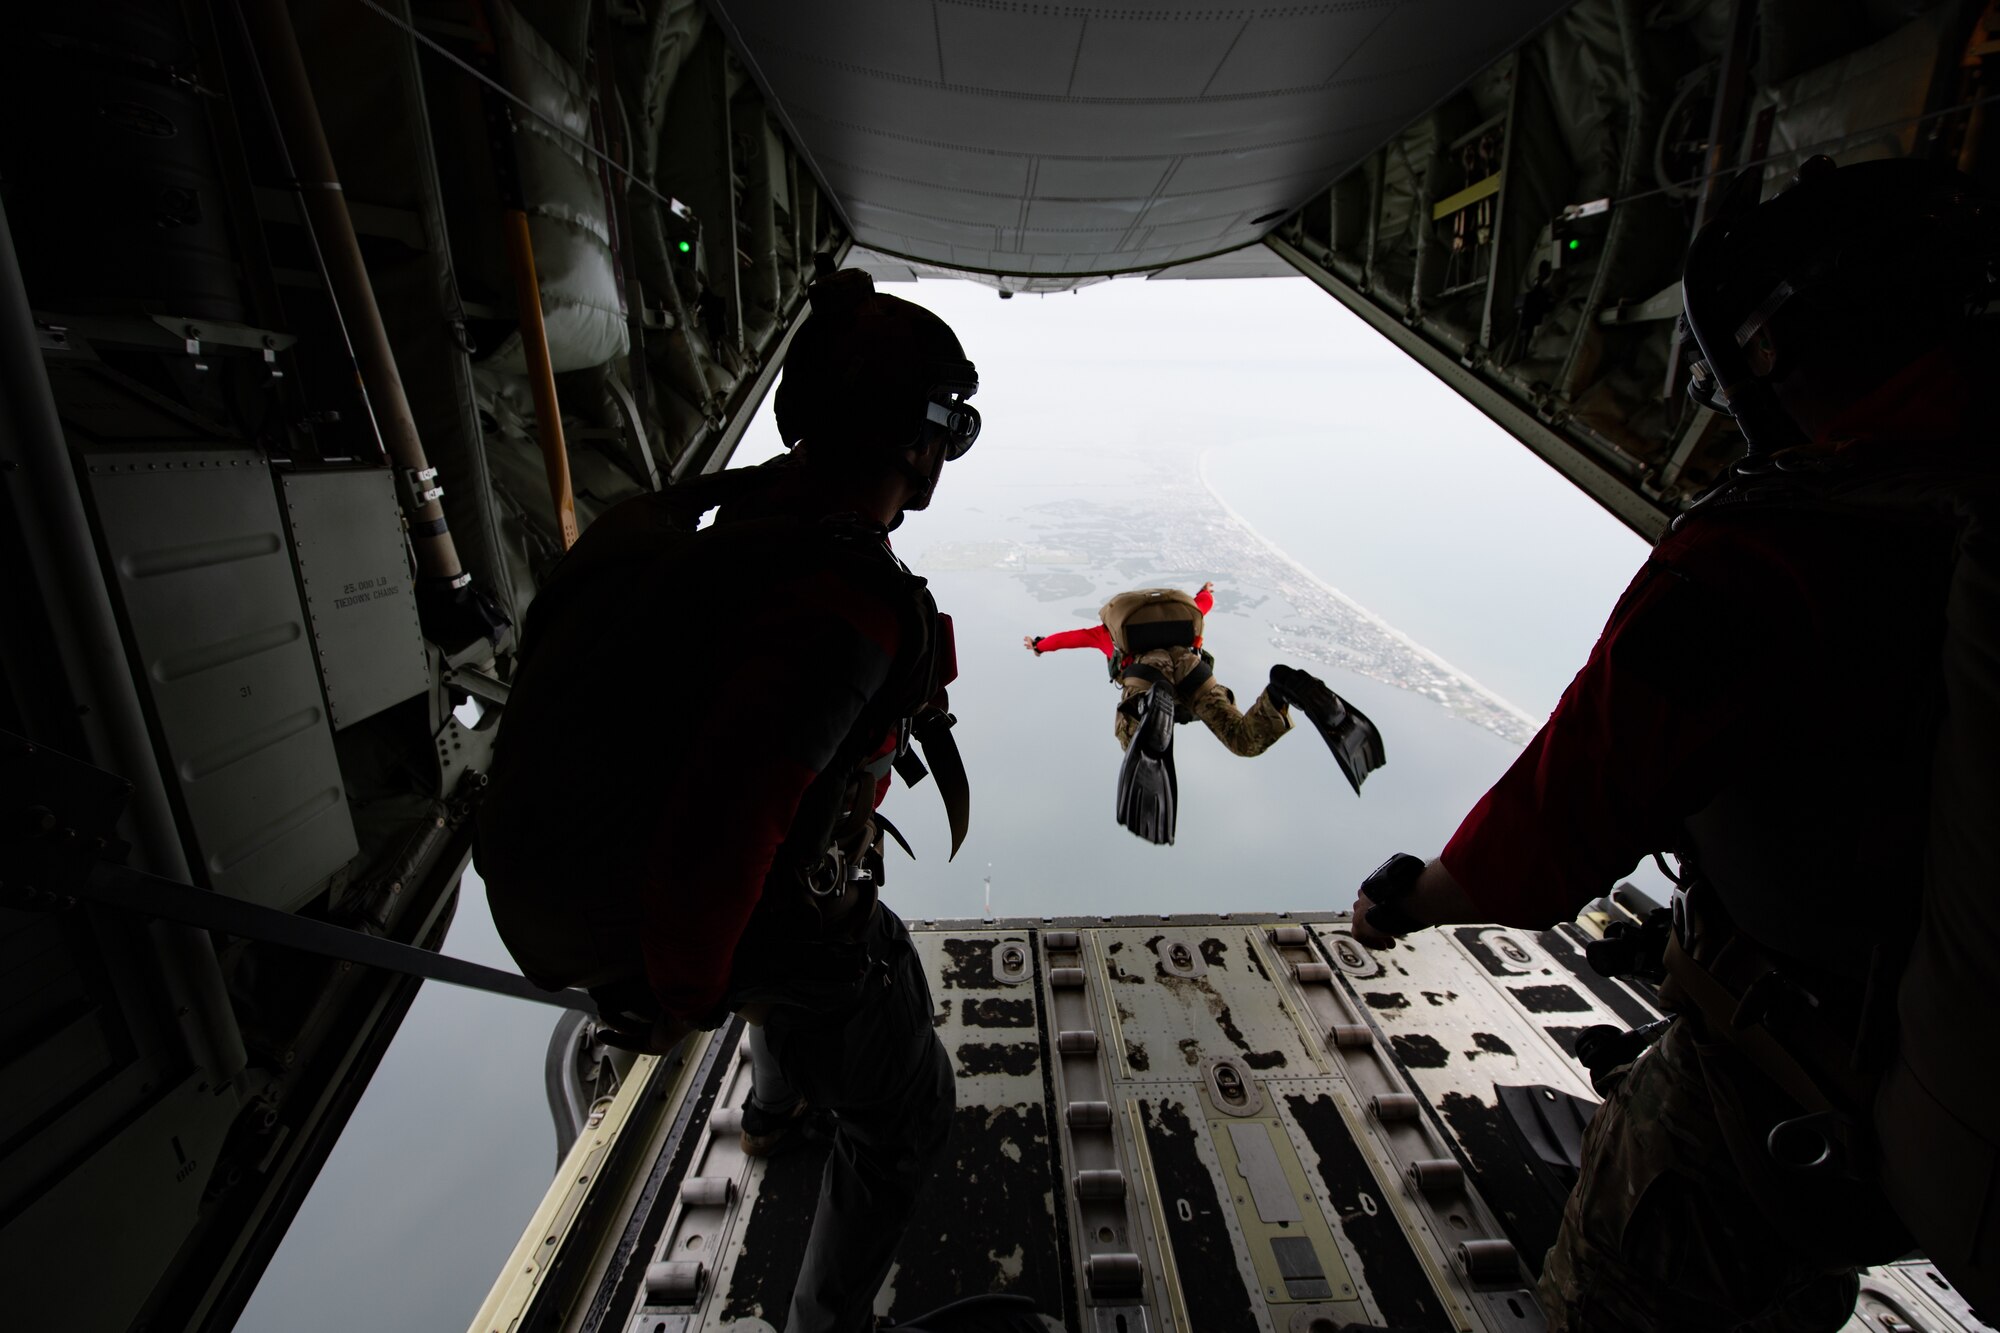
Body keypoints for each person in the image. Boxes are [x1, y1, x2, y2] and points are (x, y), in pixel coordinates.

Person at [1345, 156, 2000, 1332]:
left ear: (1784, 353)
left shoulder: (1774, 556)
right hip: (1926, 1083)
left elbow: (1568, 807)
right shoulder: (1967, 512)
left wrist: (1421, 893)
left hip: (1781, 1093)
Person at [476, 265, 979, 1333]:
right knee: (903, 1097)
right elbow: (727, 832)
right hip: (693, 919)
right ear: (912, 436)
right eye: (949, 428)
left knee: (785, 945)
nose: (946, 452)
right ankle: (826, 1322)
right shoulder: (843, 601)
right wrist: (683, 994)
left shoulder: (729, 518)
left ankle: (775, 1109)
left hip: (613, 882)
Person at [1026, 582, 1385, 842]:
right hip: (1191, 667)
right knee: (1243, 739)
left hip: (1146, 674)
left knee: (1133, 737)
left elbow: (1068, 638)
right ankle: (1279, 692)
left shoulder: (1105, 633)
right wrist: (1207, 591)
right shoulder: (1186, 616)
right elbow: (1203, 603)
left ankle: (1152, 710)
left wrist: (1040, 645)